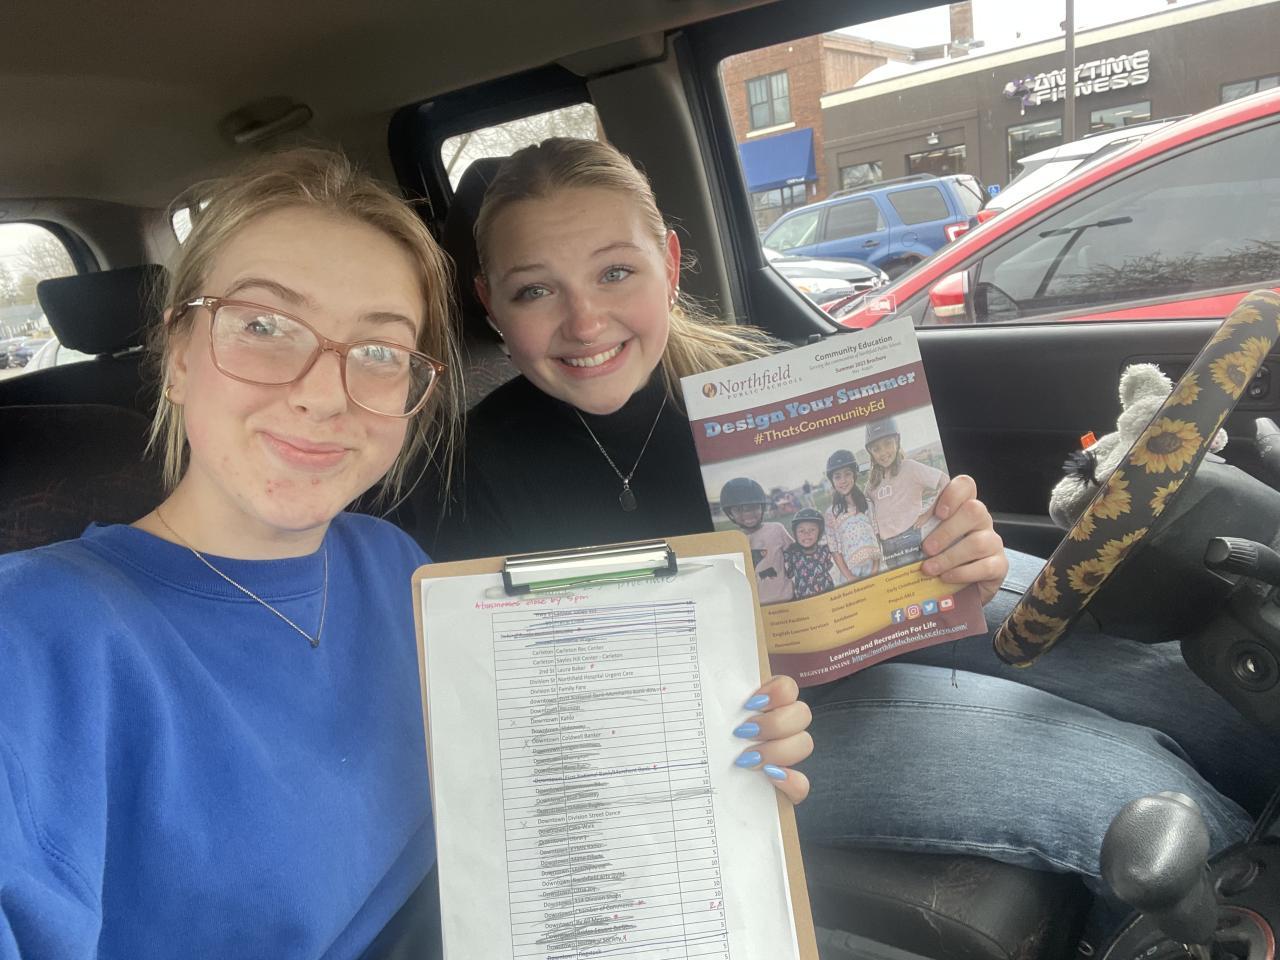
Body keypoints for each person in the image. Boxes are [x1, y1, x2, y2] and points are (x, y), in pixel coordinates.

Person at [0, 148, 812, 958]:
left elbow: (537, 796)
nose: (323, 392)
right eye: (263, 327)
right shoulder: (33, 637)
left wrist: (715, 753)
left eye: (380, 351)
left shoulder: (398, 567)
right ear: (178, 355)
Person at [418, 136, 1254, 893]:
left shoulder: (765, 388)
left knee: (1178, 684)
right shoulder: (464, 475)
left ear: (668, 264)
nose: (584, 322)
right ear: (490, 303)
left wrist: (958, 556)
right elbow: (505, 725)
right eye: (536, 290)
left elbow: (910, 551)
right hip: (727, 738)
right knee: (1124, 785)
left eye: (614, 273)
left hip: (859, 635)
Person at [863, 417, 948, 569]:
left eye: (888, 443)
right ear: (871, 453)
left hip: (909, 538)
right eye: (876, 449)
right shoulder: (871, 484)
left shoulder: (910, 468)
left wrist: (928, 514)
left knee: (913, 580)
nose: (883, 452)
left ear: (897, 442)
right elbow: (868, 513)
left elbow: (945, 481)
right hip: (886, 546)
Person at [720, 476, 794, 603]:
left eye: (753, 507)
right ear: (730, 513)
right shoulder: (731, 542)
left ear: (762, 507)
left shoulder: (777, 529)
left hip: (787, 599)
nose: (747, 513)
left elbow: (796, 556)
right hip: (755, 606)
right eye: (739, 509)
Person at [823, 449, 880, 583]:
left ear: (854, 475)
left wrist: (875, 568)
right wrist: (849, 576)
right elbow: (834, 550)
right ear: (832, 480)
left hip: (873, 568)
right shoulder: (831, 513)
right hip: (851, 573)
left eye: (847, 474)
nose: (843, 480)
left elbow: (876, 535)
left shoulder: (867, 504)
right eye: (837, 477)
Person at [782, 508, 836, 599]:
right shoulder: (792, 554)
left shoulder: (825, 550)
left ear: (820, 532)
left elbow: (828, 565)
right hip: (806, 601)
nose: (807, 534)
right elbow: (788, 574)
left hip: (829, 595)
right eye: (801, 531)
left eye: (812, 530)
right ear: (795, 533)